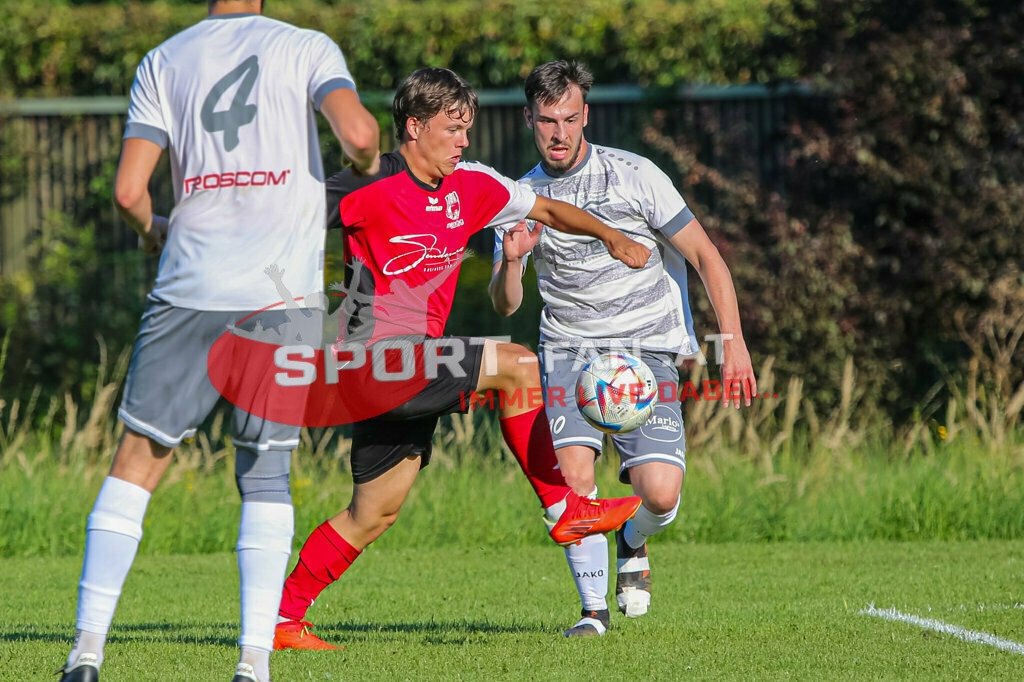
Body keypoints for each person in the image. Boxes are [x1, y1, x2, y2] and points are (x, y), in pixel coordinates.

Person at [271, 66, 650, 650]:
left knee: (373, 512)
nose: (464, 142)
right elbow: (279, 222)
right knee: (518, 364)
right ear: (414, 127)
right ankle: (564, 510)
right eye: (453, 129)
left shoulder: (471, 185)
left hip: (410, 367)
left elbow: (546, 210)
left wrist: (610, 236)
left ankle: (284, 619)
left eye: (468, 129)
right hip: (371, 362)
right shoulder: (363, 185)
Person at [58, 2, 380, 681]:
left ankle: (85, 653)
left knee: (135, 464)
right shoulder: (306, 46)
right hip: (279, 297)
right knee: (264, 476)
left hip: (189, 286)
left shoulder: (164, 59)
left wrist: (156, 234)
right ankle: (252, 665)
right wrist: (368, 159)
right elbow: (357, 132)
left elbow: (127, 191)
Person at [489, 60, 757, 637]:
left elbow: (708, 257)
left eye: (568, 118)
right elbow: (506, 305)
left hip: (645, 350)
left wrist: (731, 344)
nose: (558, 133)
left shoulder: (636, 175)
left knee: (659, 494)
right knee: (575, 480)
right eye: (546, 120)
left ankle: (633, 540)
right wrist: (512, 261)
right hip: (567, 350)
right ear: (528, 119)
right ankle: (592, 615)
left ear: (586, 115)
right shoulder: (517, 197)